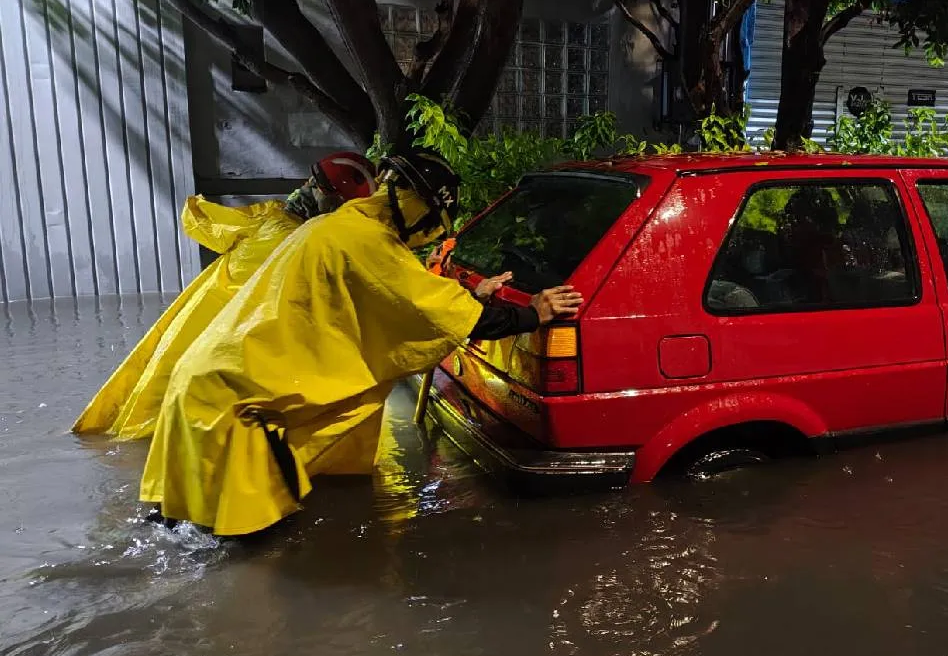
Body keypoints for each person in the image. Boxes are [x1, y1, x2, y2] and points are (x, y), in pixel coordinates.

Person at [139, 149, 583, 536]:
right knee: (246, 560)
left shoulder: (338, 228)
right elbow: (439, 312)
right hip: (237, 409)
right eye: (431, 220)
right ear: (413, 205)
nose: (428, 233)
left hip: (205, 389)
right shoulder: (366, 243)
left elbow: (398, 299)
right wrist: (533, 312)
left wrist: (469, 296)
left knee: (183, 539)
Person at [73, 152, 378, 440]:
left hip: (191, 336)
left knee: (151, 416)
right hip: (225, 354)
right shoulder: (310, 244)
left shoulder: (266, 220)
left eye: (311, 182)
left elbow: (202, 221)